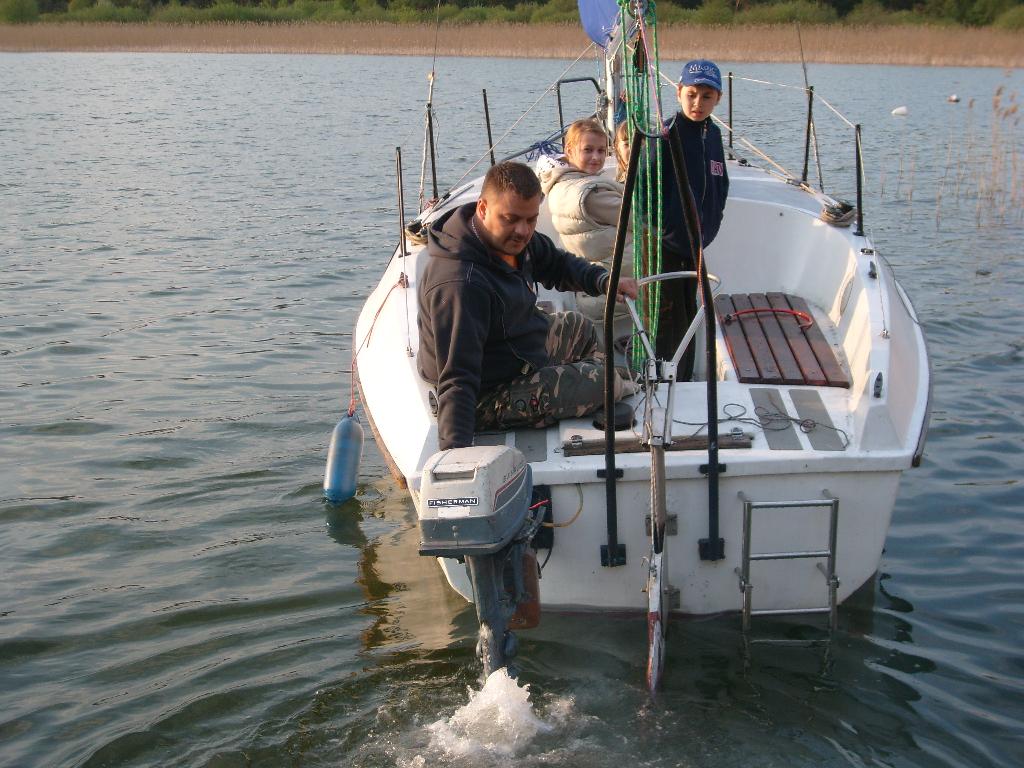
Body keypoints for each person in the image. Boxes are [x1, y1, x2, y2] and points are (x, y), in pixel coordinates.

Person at [417, 161, 638, 451]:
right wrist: (455, 457)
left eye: (531, 220)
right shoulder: (461, 284)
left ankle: (574, 389)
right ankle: (591, 388)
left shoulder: (514, 241)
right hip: (485, 393)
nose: (522, 230)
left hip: (513, 350)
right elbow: (458, 376)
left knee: (578, 326)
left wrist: (604, 281)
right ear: (482, 209)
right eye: (510, 219)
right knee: (603, 382)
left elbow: (557, 264)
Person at [656, 59, 729, 374]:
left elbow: (720, 181)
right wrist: (666, 229)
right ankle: (664, 375)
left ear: (718, 99)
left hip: (698, 243)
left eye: (707, 96)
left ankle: (684, 376)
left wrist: (713, 221)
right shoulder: (666, 135)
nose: (698, 103)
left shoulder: (711, 134)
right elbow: (649, 194)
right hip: (670, 245)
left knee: (690, 313)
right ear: (679, 92)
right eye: (692, 94)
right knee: (669, 317)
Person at [537, 118, 632, 348]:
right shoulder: (589, 194)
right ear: (569, 150)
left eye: (601, 150)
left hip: (596, 290)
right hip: (615, 290)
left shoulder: (563, 185)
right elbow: (641, 219)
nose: (597, 158)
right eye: (588, 150)